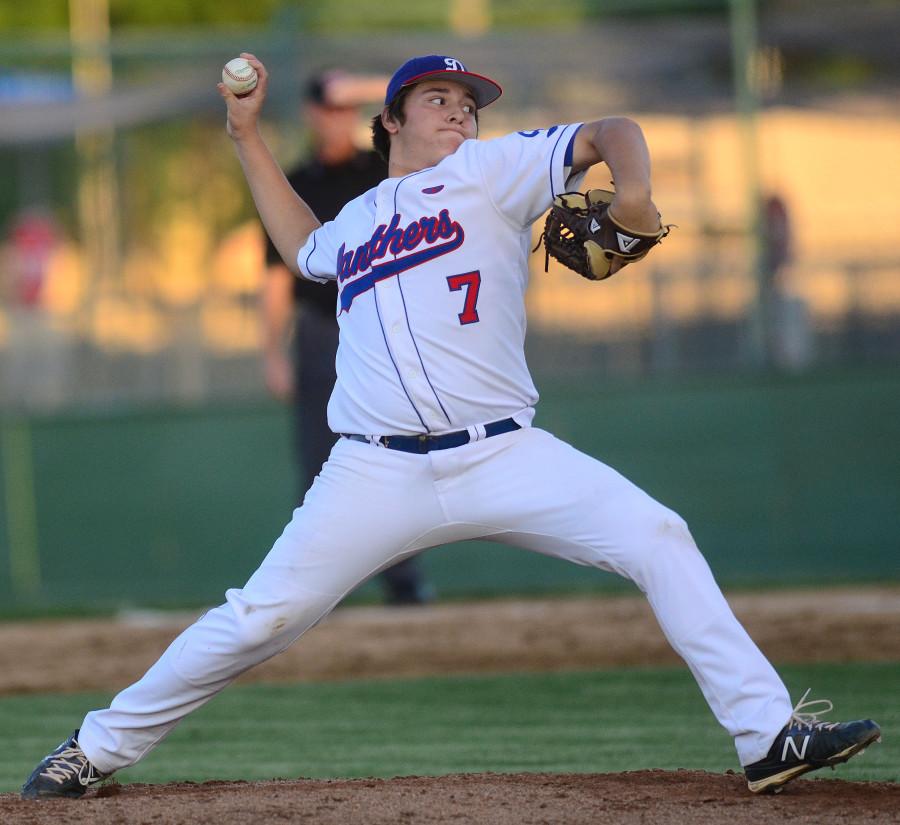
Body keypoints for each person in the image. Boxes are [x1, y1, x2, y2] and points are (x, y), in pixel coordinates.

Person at [23, 52, 879, 800]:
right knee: (258, 619)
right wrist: (245, 135)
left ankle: (767, 736)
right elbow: (300, 248)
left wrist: (637, 190)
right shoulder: (354, 223)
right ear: (389, 119)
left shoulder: (492, 171)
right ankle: (92, 749)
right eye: (438, 98)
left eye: (469, 102)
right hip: (372, 472)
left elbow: (613, 128)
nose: (461, 111)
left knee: (658, 535)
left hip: (504, 451)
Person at [261, 69, 431, 605]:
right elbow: (273, 275)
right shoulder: (296, 181)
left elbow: (418, 109)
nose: (336, 119)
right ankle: (314, 591)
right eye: (327, 109)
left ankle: (403, 585)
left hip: (383, 330)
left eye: (345, 110)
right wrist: (272, 351)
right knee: (318, 463)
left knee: (396, 456)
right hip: (318, 334)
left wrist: (359, 87)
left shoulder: (381, 169)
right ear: (311, 115)